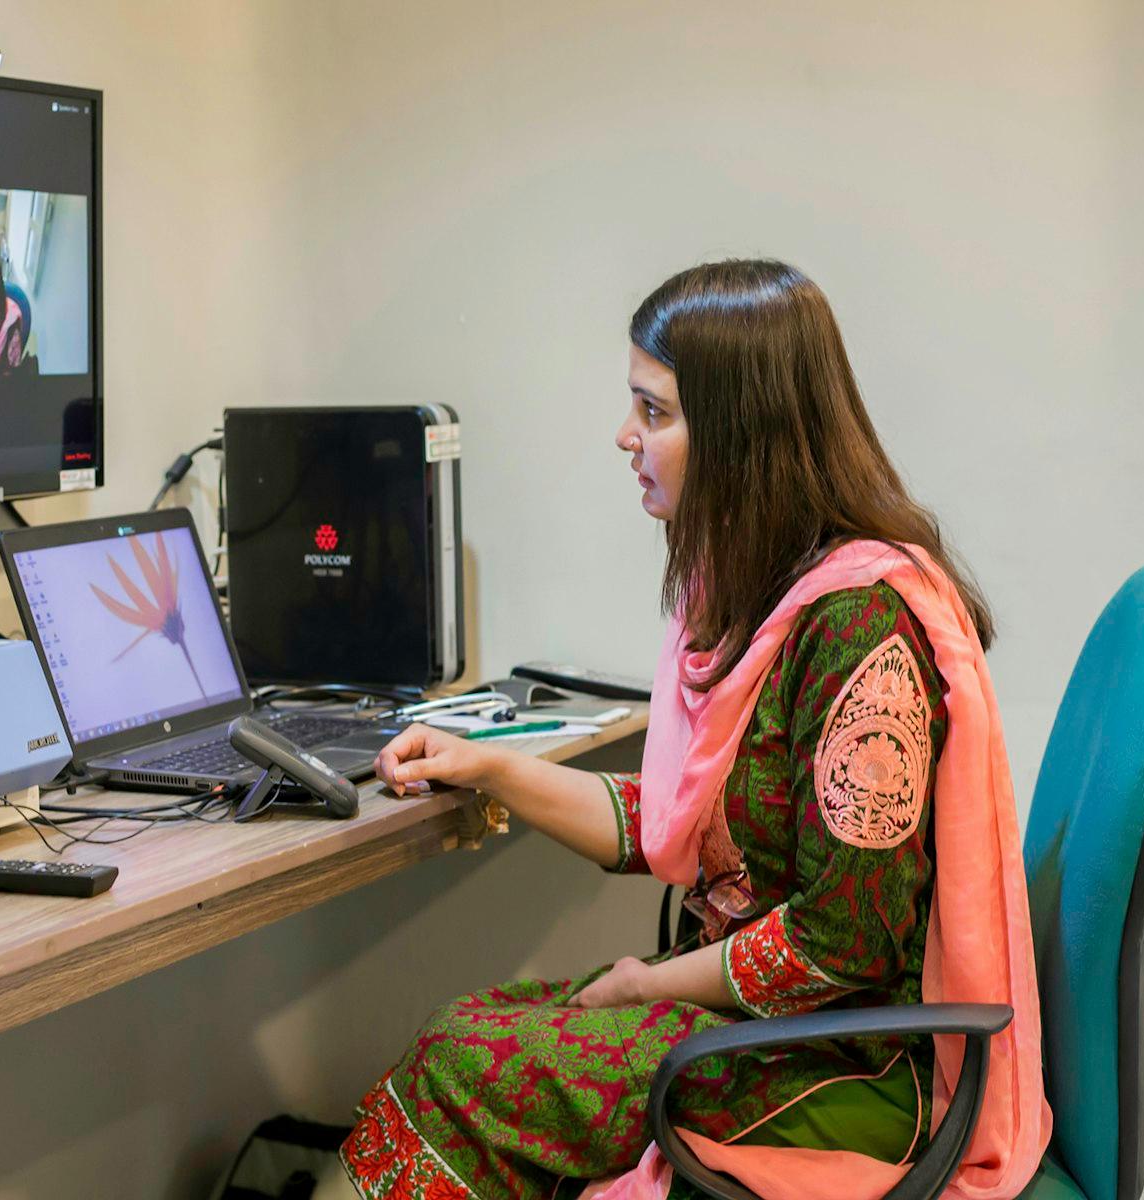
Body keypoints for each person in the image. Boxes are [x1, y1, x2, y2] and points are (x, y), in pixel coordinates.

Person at [323, 260, 1049, 1200]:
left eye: (655, 412)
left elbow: (844, 944)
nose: (625, 436)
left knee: (461, 1066)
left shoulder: (859, 630)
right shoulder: (766, 596)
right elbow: (678, 819)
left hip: (850, 1061)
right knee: (473, 1027)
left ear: (742, 436)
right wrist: (491, 769)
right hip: (769, 1021)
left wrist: (644, 986)